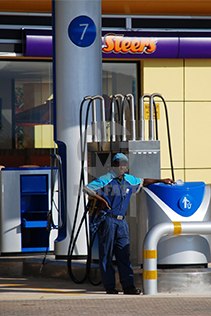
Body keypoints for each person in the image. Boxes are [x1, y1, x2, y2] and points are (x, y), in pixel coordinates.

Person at [83, 153, 175, 295]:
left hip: (122, 222)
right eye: (119, 164)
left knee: (124, 254)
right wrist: (101, 199)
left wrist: (161, 180)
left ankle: (128, 286)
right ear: (114, 165)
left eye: (125, 164)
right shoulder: (106, 179)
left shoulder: (129, 180)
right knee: (106, 254)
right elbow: (87, 188)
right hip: (108, 220)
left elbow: (143, 181)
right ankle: (109, 286)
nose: (122, 167)